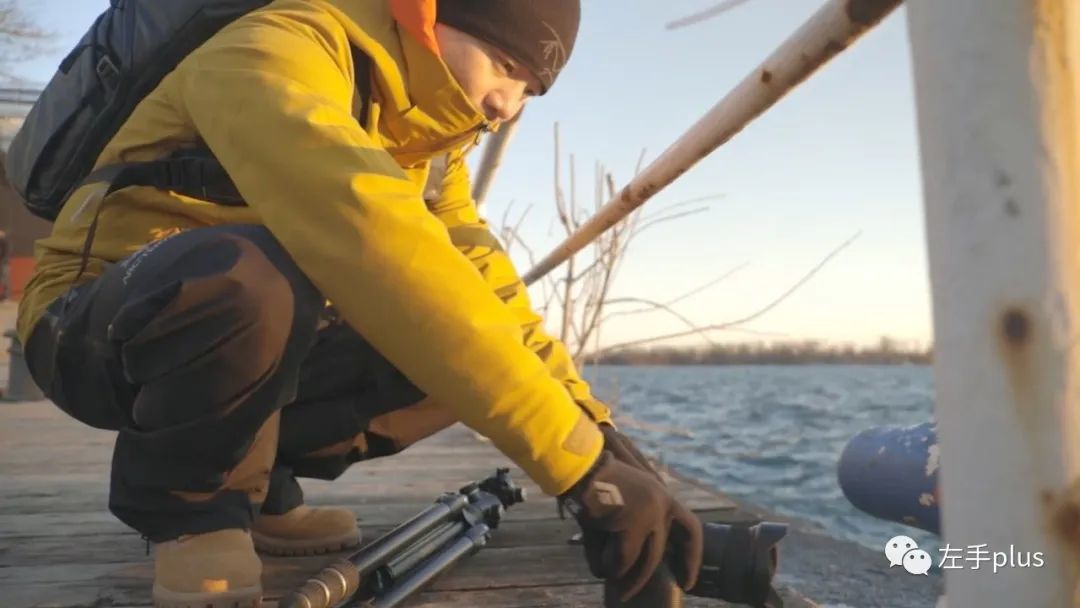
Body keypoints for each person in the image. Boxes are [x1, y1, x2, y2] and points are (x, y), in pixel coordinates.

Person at [17, 1, 703, 606]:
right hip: (88, 325)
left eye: (530, 90)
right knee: (256, 273)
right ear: (432, 15)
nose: (507, 105)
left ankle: (260, 491)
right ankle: (192, 509)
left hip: (232, 329)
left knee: (450, 345)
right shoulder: (277, 47)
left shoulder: (435, 149)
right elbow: (373, 238)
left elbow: (486, 295)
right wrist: (574, 468)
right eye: (503, 65)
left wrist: (601, 442)